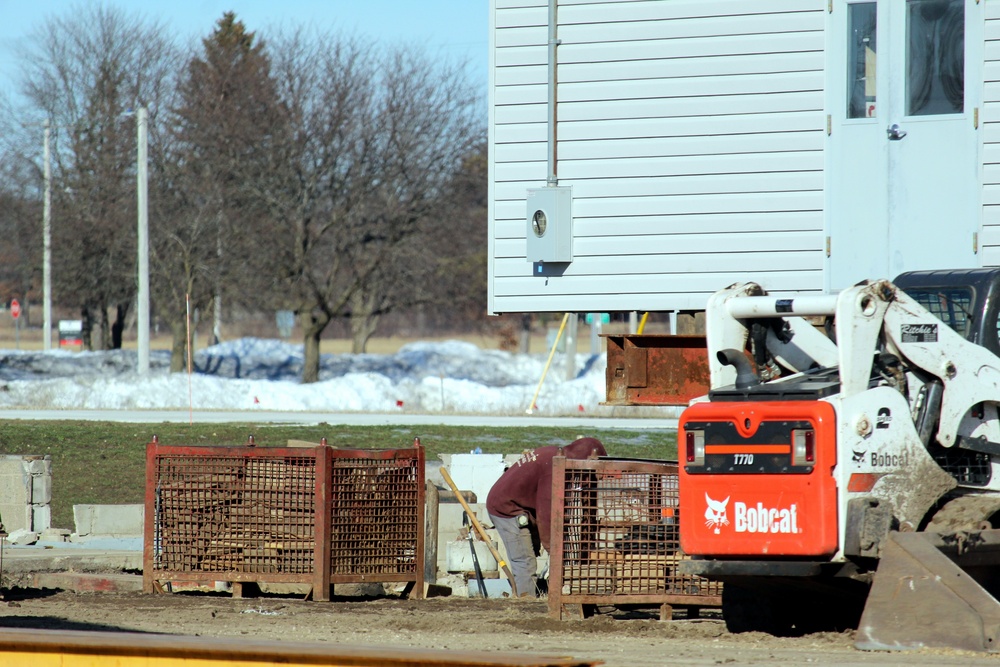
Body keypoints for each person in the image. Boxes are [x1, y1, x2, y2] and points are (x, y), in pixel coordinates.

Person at [486, 437, 606, 598]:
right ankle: (525, 603)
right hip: (506, 508)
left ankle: (530, 592)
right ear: (587, 457)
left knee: (531, 551)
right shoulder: (553, 469)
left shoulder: (554, 455)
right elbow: (546, 514)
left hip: (522, 505)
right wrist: (554, 550)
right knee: (524, 560)